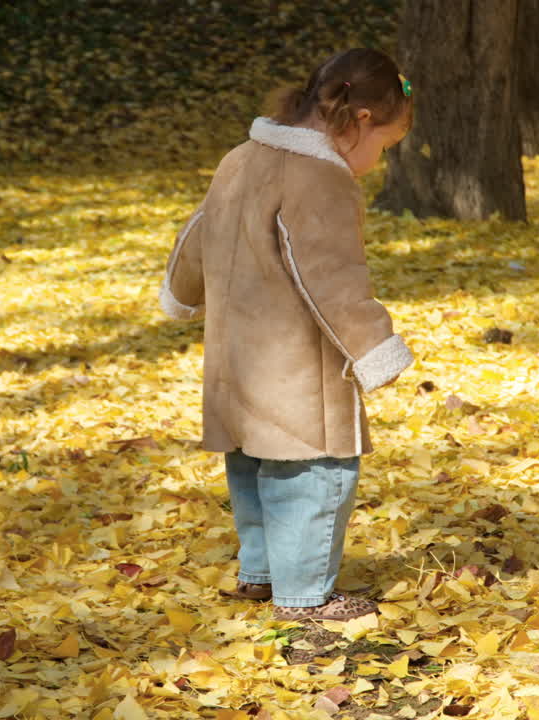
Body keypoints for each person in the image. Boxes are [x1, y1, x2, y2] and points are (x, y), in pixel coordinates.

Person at [159, 48, 415, 621]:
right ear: (362, 120)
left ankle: (262, 572)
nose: (376, 162)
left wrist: (181, 291)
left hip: (239, 361)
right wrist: (376, 347)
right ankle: (304, 597)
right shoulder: (320, 178)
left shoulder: (241, 158)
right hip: (299, 365)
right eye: (383, 147)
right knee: (315, 469)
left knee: (252, 463)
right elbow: (332, 277)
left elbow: (199, 233)